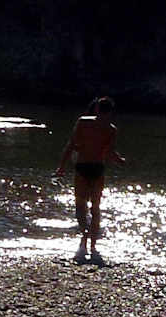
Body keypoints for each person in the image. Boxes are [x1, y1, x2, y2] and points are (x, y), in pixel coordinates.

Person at [54, 97, 126, 263]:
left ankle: (86, 238)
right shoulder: (108, 128)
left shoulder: (86, 123)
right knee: (92, 207)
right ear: (109, 112)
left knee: (84, 206)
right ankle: (91, 243)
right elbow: (109, 152)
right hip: (94, 168)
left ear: (97, 109)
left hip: (85, 167)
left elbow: (72, 145)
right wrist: (120, 161)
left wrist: (62, 166)